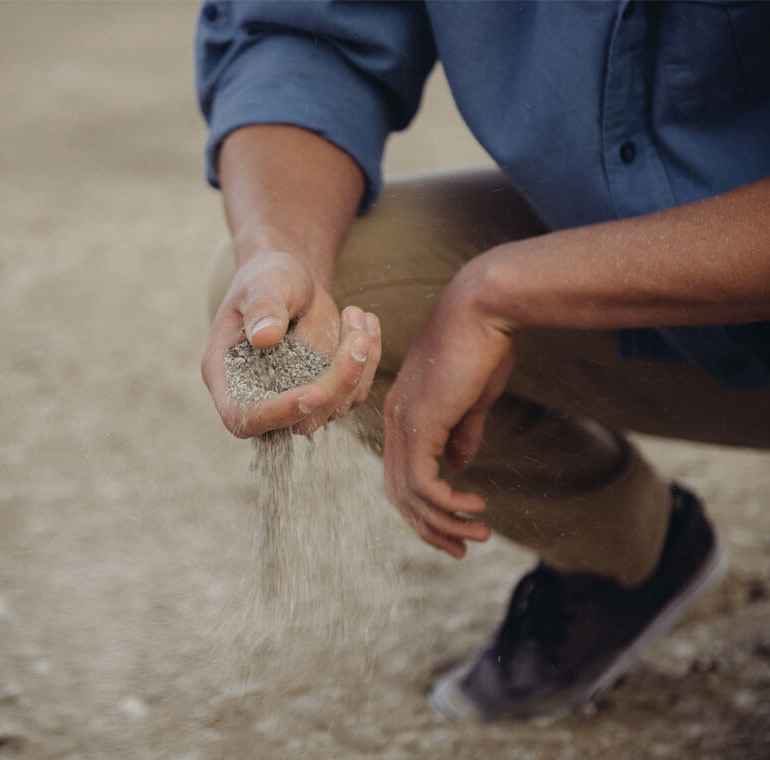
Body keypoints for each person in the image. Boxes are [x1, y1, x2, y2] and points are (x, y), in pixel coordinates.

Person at [194, 0, 770, 721]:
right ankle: (629, 556)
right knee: (334, 289)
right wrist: (281, 247)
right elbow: (305, 34)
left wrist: (503, 291)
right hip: (652, 270)